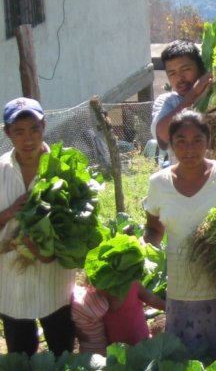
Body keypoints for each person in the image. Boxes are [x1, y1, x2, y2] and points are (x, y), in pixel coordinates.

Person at [143, 111, 216, 358]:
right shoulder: (158, 183)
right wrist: (143, 254)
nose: (189, 148)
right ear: (171, 145)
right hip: (179, 288)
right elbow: (154, 228)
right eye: (181, 142)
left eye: (197, 140)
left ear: (208, 141)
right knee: (182, 363)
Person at [0, 97, 76, 355]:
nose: (28, 139)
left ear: (44, 126)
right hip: (11, 284)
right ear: (7, 133)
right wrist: (7, 214)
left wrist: (45, 250)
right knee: (20, 360)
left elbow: (79, 229)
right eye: (19, 132)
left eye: (34, 129)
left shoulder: (64, 169)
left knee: (61, 354)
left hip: (53, 282)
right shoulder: (0, 170)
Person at [151, 40, 216, 176]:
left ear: (202, 68)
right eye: (172, 73)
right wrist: (193, 95)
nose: (179, 78)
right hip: (188, 193)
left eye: (186, 69)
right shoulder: (168, 102)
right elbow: (163, 135)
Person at [71, 278, 162, 355]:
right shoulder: (98, 294)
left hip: (140, 341)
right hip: (114, 350)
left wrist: (168, 307)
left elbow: (151, 299)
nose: (114, 292)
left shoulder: (133, 283)